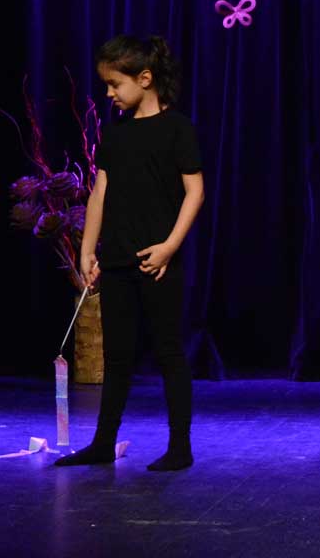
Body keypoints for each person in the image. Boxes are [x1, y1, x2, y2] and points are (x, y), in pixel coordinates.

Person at [56, 35, 204, 471]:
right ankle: (103, 442)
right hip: (118, 259)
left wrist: (169, 247)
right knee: (116, 356)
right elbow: (100, 193)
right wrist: (88, 249)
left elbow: (195, 192)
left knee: (168, 352)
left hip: (157, 262)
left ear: (145, 78)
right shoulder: (117, 134)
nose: (109, 93)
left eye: (114, 84)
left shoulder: (177, 129)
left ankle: (180, 446)